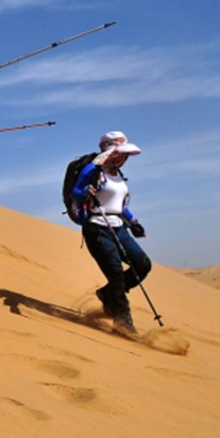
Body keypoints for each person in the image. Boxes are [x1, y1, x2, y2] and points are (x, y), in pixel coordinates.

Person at [71, 131, 151, 336]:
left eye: (126, 155)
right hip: (97, 227)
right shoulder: (93, 170)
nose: (124, 158)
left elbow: (120, 206)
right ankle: (123, 323)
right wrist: (86, 192)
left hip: (118, 226)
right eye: (121, 153)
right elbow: (76, 193)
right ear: (111, 151)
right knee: (116, 275)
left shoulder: (118, 175)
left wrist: (134, 222)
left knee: (142, 264)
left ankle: (107, 294)